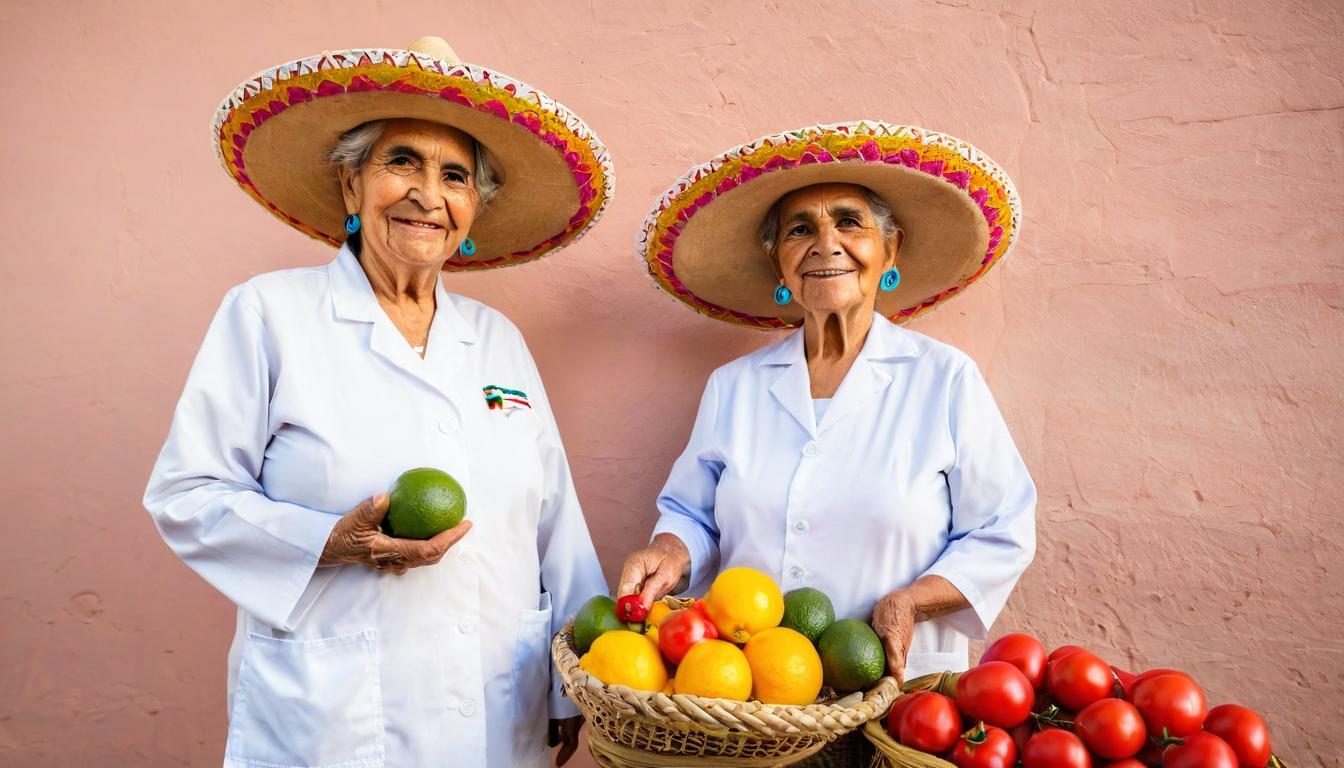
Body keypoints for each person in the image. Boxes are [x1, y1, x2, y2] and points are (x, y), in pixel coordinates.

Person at [144, 36, 613, 768]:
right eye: (402, 162)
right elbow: (186, 493)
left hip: (497, 707)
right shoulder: (269, 314)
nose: (430, 193)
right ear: (349, 188)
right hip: (332, 720)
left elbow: (556, 525)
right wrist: (327, 540)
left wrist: (572, 684)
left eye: (455, 175)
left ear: (472, 210)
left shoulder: (497, 341)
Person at [623, 120, 1036, 691]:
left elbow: (1002, 529)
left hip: (898, 692)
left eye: (849, 222)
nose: (825, 243)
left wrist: (912, 602)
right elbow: (692, 515)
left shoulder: (944, 379)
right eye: (799, 230)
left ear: (889, 250)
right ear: (780, 268)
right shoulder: (734, 387)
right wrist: (671, 549)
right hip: (752, 694)